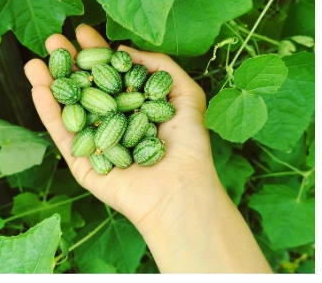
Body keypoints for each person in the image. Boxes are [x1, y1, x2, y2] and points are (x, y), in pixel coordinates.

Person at [23, 24, 272, 274]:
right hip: (111, 121)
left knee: (109, 112)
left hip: (116, 121)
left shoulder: (123, 113)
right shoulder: (106, 112)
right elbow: (110, 112)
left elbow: (117, 113)